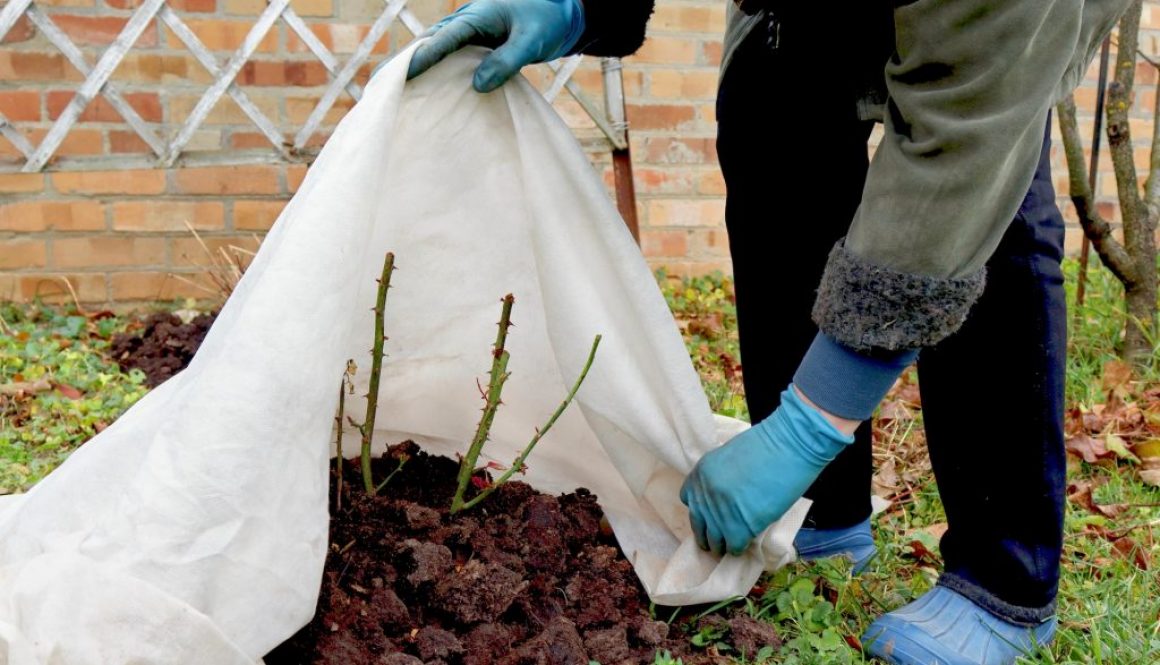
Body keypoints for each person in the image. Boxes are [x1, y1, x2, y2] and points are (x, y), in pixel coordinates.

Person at [403, 1, 1132, 663]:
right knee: (770, 99)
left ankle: (1004, 579)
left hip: (1002, 23)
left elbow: (962, 143)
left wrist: (806, 428)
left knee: (988, 189)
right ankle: (825, 514)